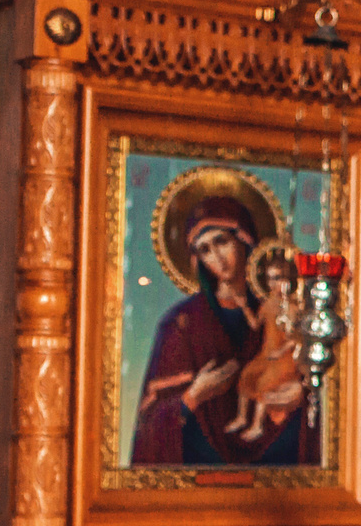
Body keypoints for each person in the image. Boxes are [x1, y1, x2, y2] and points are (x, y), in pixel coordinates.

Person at [131, 193, 314, 467]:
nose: (217, 257)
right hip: (199, 480)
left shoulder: (282, 310)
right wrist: (193, 396)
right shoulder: (181, 323)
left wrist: (302, 395)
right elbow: (151, 422)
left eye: (222, 241)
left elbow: (315, 379)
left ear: (245, 241)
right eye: (204, 249)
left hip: (276, 473)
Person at [222, 245, 304, 442]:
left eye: (278, 278)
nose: (273, 284)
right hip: (266, 355)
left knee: (265, 384)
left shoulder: (291, 307)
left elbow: (296, 338)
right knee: (247, 375)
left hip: (283, 360)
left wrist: (280, 352)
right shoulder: (267, 304)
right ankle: (242, 418)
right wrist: (243, 307)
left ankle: (257, 425)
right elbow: (255, 325)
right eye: (270, 279)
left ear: (287, 281)